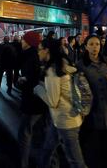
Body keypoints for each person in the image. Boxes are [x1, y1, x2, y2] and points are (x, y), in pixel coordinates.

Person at [34, 39, 87, 168]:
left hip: (66, 121)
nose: (38, 52)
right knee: (47, 149)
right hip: (64, 117)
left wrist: (37, 89)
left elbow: (52, 101)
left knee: (76, 162)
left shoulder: (52, 70)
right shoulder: (64, 63)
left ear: (47, 50)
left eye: (39, 49)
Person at [76, 35, 107, 168]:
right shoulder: (81, 64)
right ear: (86, 46)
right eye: (91, 44)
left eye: (97, 44)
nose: (95, 47)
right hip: (91, 108)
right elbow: (78, 86)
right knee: (90, 139)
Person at [17, 31, 47, 168]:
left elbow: (34, 79)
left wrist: (23, 80)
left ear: (29, 42)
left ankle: (24, 164)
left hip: (33, 101)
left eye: (23, 40)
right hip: (40, 101)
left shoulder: (31, 57)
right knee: (43, 131)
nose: (21, 42)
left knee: (25, 132)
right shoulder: (35, 55)